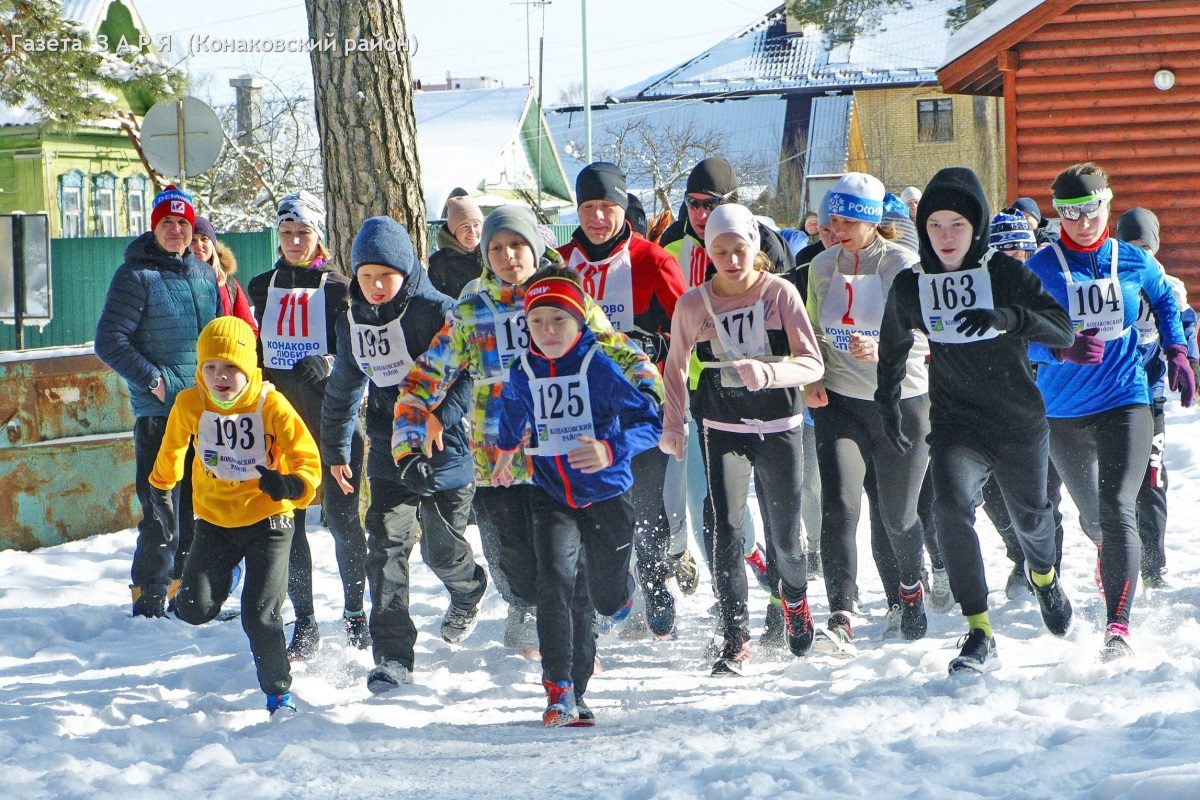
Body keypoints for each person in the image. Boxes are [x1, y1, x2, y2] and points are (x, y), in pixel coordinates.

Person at [392, 205, 662, 656]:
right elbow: (422, 382)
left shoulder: (564, 299)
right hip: (495, 459)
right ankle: (542, 614)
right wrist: (409, 448)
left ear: (534, 248)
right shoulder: (470, 312)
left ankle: (574, 656)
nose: (507, 255)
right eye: (496, 247)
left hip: (559, 456)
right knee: (521, 575)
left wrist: (647, 388)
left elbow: (621, 351)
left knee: (565, 569)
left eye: (517, 244)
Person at [876, 166, 1076, 674]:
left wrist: (1005, 317)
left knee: (1032, 519)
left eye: (958, 225)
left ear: (977, 226)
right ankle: (979, 631)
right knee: (949, 510)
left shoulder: (1003, 273)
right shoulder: (912, 283)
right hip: (955, 423)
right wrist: (886, 402)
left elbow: (1062, 331)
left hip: (1017, 422)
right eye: (936, 225)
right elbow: (893, 345)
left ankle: (1045, 576)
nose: (946, 237)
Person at [1025, 163, 1195, 660]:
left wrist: (1178, 350)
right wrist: (1057, 350)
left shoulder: (1131, 259)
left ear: (1108, 203)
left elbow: (1165, 299)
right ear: (1058, 214)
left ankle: (1117, 626)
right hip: (1063, 411)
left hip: (1126, 398)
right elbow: (1017, 334)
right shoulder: (1040, 267)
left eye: (1091, 209)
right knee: (1095, 516)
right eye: (1069, 212)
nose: (1082, 221)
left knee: (1121, 507)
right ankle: (1107, 552)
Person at [322, 217, 487, 693]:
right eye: (366, 276)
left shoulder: (439, 310)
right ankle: (393, 656)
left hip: (443, 445)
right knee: (387, 546)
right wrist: (335, 449)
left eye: (385, 276)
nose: (374, 286)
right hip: (389, 447)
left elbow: (471, 373)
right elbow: (343, 388)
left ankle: (468, 585)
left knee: (440, 548)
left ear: (406, 269)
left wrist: (441, 416)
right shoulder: (353, 320)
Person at [660, 203, 825, 675]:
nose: (732, 261)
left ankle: (793, 598)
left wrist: (772, 372)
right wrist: (674, 426)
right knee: (726, 528)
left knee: (784, 532)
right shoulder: (695, 303)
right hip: (722, 426)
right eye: (720, 252)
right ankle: (735, 635)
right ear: (708, 252)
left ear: (755, 247)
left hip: (779, 427)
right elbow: (674, 368)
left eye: (739, 250)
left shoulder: (781, 293)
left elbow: (812, 363)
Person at [492, 267, 661, 726]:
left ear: (580, 322)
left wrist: (609, 448)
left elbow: (650, 422)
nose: (547, 332)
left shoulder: (598, 367)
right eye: (537, 322)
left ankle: (624, 595)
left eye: (558, 321)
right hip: (550, 493)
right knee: (557, 586)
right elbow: (511, 408)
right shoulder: (523, 368)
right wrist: (506, 452)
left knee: (601, 598)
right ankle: (563, 689)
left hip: (607, 494)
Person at [149, 316, 320, 715]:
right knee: (191, 609)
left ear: (249, 369)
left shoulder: (270, 404)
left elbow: (306, 457)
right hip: (215, 520)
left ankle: (278, 694)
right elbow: (173, 449)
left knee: (259, 615)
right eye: (210, 368)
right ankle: (230, 573)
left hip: (269, 521)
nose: (220, 377)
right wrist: (160, 488)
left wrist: (292, 485)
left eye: (230, 368)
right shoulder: (190, 403)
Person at [556, 161, 685, 637]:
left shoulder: (652, 260)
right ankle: (592, 595)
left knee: (644, 505)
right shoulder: (561, 260)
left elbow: (687, 327)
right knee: (587, 504)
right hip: (575, 408)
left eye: (606, 207)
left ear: (621, 207)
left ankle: (654, 582)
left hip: (637, 407)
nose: (596, 217)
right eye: (587, 207)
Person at [806, 172, 932, 650]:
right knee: (840, 505)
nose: (834, 228)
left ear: (871, 220)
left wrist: (881, 347)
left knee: (896, 516)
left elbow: (928, 334)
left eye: (844, 219)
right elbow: (810, 332)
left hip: (901, 403)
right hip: (840, 402)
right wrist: (812, 376)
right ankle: (842, 612)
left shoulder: (902, 263)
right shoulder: (820, 266)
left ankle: (908, 591)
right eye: (830, 218)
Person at [246, 190, 368, 660]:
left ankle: (356, 613)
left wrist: (331, 364)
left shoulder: (339, 287)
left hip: (333, 423)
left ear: (319, 236)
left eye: (303, 233)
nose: (295, 241)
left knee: (340, 520)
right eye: (287, 232)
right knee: (289, 524)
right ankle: (307, 621)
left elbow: (361, 353)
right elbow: (255, 349)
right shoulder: (262, 285)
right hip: (281, 426)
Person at [95, 184, 217, 618]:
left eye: (183, 223)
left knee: (197, 508)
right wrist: (154, 380)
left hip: (203, 413)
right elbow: (109, 341)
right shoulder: (135, 275)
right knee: (160, 508)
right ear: (154, 226)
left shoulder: (203, 275)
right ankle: (149, 595)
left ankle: (186, 594)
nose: (176, 230)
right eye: (167, 222)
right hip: (160, 414)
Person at [1115, 207, 1199, 588]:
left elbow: (1185, 329)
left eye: (1147, 246)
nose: (1141, 254)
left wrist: (1190, 365)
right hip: (1112, 396)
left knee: (1151, 480)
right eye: (1132, 245)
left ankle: (1153, 563)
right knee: (1114, 486)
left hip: (1150, 397)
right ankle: (1114, 555)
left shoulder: (1170, 286)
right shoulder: (1111, 282)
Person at [191, 216, 257, 333]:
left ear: (213, 244)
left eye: (204, 239)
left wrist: (237, 348)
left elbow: (248, 329)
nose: (199, 245)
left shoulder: (228, 283)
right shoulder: (175, 281)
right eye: (193, 240)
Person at [429, 193, 485, 299]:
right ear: (453, 231)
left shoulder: (491, 254)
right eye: (465, 226)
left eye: (476, 225)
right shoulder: (439, 263)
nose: (472, 232)